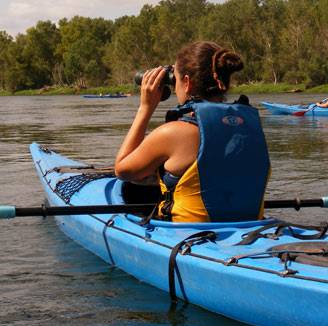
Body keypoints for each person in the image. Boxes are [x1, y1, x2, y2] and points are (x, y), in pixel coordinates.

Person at [114, 41, 270, 223]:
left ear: (187, 83)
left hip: (189, 235)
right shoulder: (250, 125)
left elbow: (122, 170)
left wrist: (146, 108)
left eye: (176, 80)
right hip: (252, 228)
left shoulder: (174, 133)